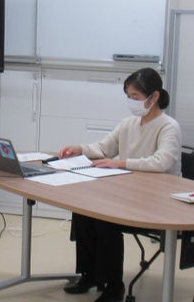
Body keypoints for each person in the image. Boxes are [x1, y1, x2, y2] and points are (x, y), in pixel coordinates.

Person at [59, 67, 181, 302]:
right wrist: (80, 149)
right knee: (84, 210)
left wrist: (122, 163)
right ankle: (90, 275)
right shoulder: (129, 124)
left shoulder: (168, 126)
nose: (131, 101)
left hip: (157, 201)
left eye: (135, 96)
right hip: (130, 194)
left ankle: (114, 286)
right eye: (128, 96)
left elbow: (162, 162)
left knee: (106, 218)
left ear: (154, 96)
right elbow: (104, 148)